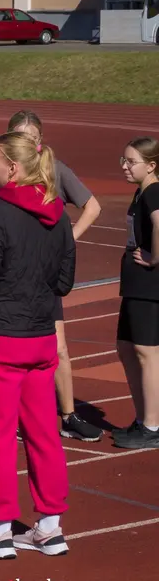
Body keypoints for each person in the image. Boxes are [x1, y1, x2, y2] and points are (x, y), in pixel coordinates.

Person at [0, 131, 76, 560]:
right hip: (41, 337)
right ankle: (49, 526)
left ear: (12, 167)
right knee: (44, 433)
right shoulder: (58, 214)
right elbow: (64, 281)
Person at [7, 110, 103, 442]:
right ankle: (19, 416)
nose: (27, 144)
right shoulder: (4, 175)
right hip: (12, 276)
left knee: (57, 348)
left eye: (32, 138)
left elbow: (92, 206)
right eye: (20, 138)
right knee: (15, 347)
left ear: (40, 141)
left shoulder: (56, 171)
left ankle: (68, 415)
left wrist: (68, 239)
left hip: (45, 277)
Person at [113, 137, 159, 449]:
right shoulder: (141, 191)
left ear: (152, 165)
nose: (126, 167)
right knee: (126, 347)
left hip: (148, 284)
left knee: (147, 352)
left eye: (132, 162)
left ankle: (153, 427)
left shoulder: (153, 191)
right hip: (134, 283)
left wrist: (155, 257)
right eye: (124, 161)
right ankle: (143, 419)